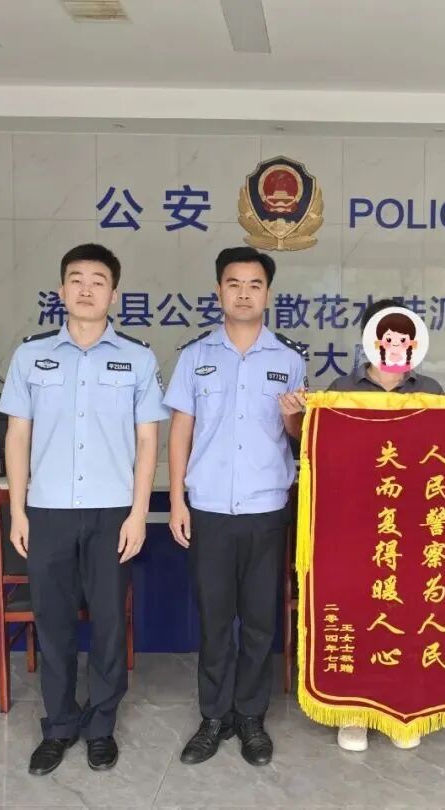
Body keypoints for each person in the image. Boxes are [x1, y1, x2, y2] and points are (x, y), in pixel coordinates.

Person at [0, 243, 169, 776]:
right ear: (61, 290)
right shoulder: (30, 355)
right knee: (53, 624)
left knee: (109, 625)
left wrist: (139, 513)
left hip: (112, 513)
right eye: (76, 279)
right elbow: (17, 435)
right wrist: (19, 511)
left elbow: (148, 441)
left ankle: (100, 727)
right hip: (47, 511)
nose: (87, 289)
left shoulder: (138, 358)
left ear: (114, 294)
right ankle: (58, 726)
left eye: (98, 280)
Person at [165, 246, 307, 768]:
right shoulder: (194, 356)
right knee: (215, 619)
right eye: (234, 284)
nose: (244, 293)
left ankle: (250, 717)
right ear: (219, 291)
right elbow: (180, 431)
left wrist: (293, 417)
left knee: (261, 622)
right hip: (208, 508)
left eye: (254, 285)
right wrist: (177, 499)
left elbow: (298, 436)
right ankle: (213, 717)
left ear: (268, 294)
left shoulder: (289, 359)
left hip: (266, 508)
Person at [327, 298, 444, 751]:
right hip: (356, 525)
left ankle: (402, 708)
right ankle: (354, 713)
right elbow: (323, 455)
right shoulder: (341, 388)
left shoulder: (431, 389)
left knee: (409, 615)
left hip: (412, 526)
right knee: (360, 613)